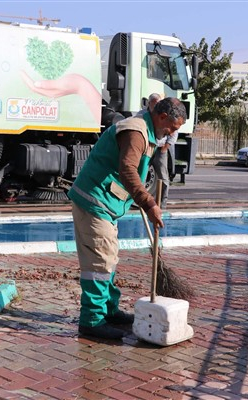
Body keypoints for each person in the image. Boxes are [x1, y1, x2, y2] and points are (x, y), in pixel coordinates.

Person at [68, 97, 187, 339]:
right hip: (95, 201)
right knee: (99, 264)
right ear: (162, 117)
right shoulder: (136, 132)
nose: (171, 134)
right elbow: (127, 170)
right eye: (173, 128)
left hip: (106, 204)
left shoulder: (148, 130)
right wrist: (149, 203)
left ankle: (109, 311)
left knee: (108, 259)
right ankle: (92, 320)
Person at [148, 95, 179, 208]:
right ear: (149, 103)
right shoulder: (143, 115)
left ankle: (162, 203)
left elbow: (174, 132)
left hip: (160, 148)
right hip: (147, 147)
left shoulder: (166, 115)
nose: (157, 105)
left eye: (159, 103)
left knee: (163, 176)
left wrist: (165, 147)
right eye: (154, 103)